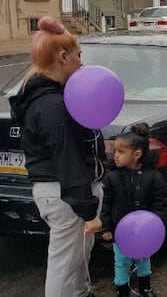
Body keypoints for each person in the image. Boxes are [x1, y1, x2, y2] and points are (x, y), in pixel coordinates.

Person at [9, 16, 105, 297]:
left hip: (58, 192)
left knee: (74, 262)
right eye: (79, 55)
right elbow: (67, 159)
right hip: (65, 194)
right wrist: (87, 210)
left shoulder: (45, 99)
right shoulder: (53, 106)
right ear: (63, 57)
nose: (81, 62)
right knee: (65, 265)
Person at [101, 123, 167, 297]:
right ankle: (122, 289)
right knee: (121, 261)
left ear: (137, 154)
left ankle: (145, 287)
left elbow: (159, 203)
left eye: (121, 152)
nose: (115, 155)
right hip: (120, 230)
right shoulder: (112, 177)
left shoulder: (154, 177)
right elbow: (106, 204)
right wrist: (107, 227)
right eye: (115, 151)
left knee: (144, 259)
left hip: (144, 230)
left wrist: (156, 224)